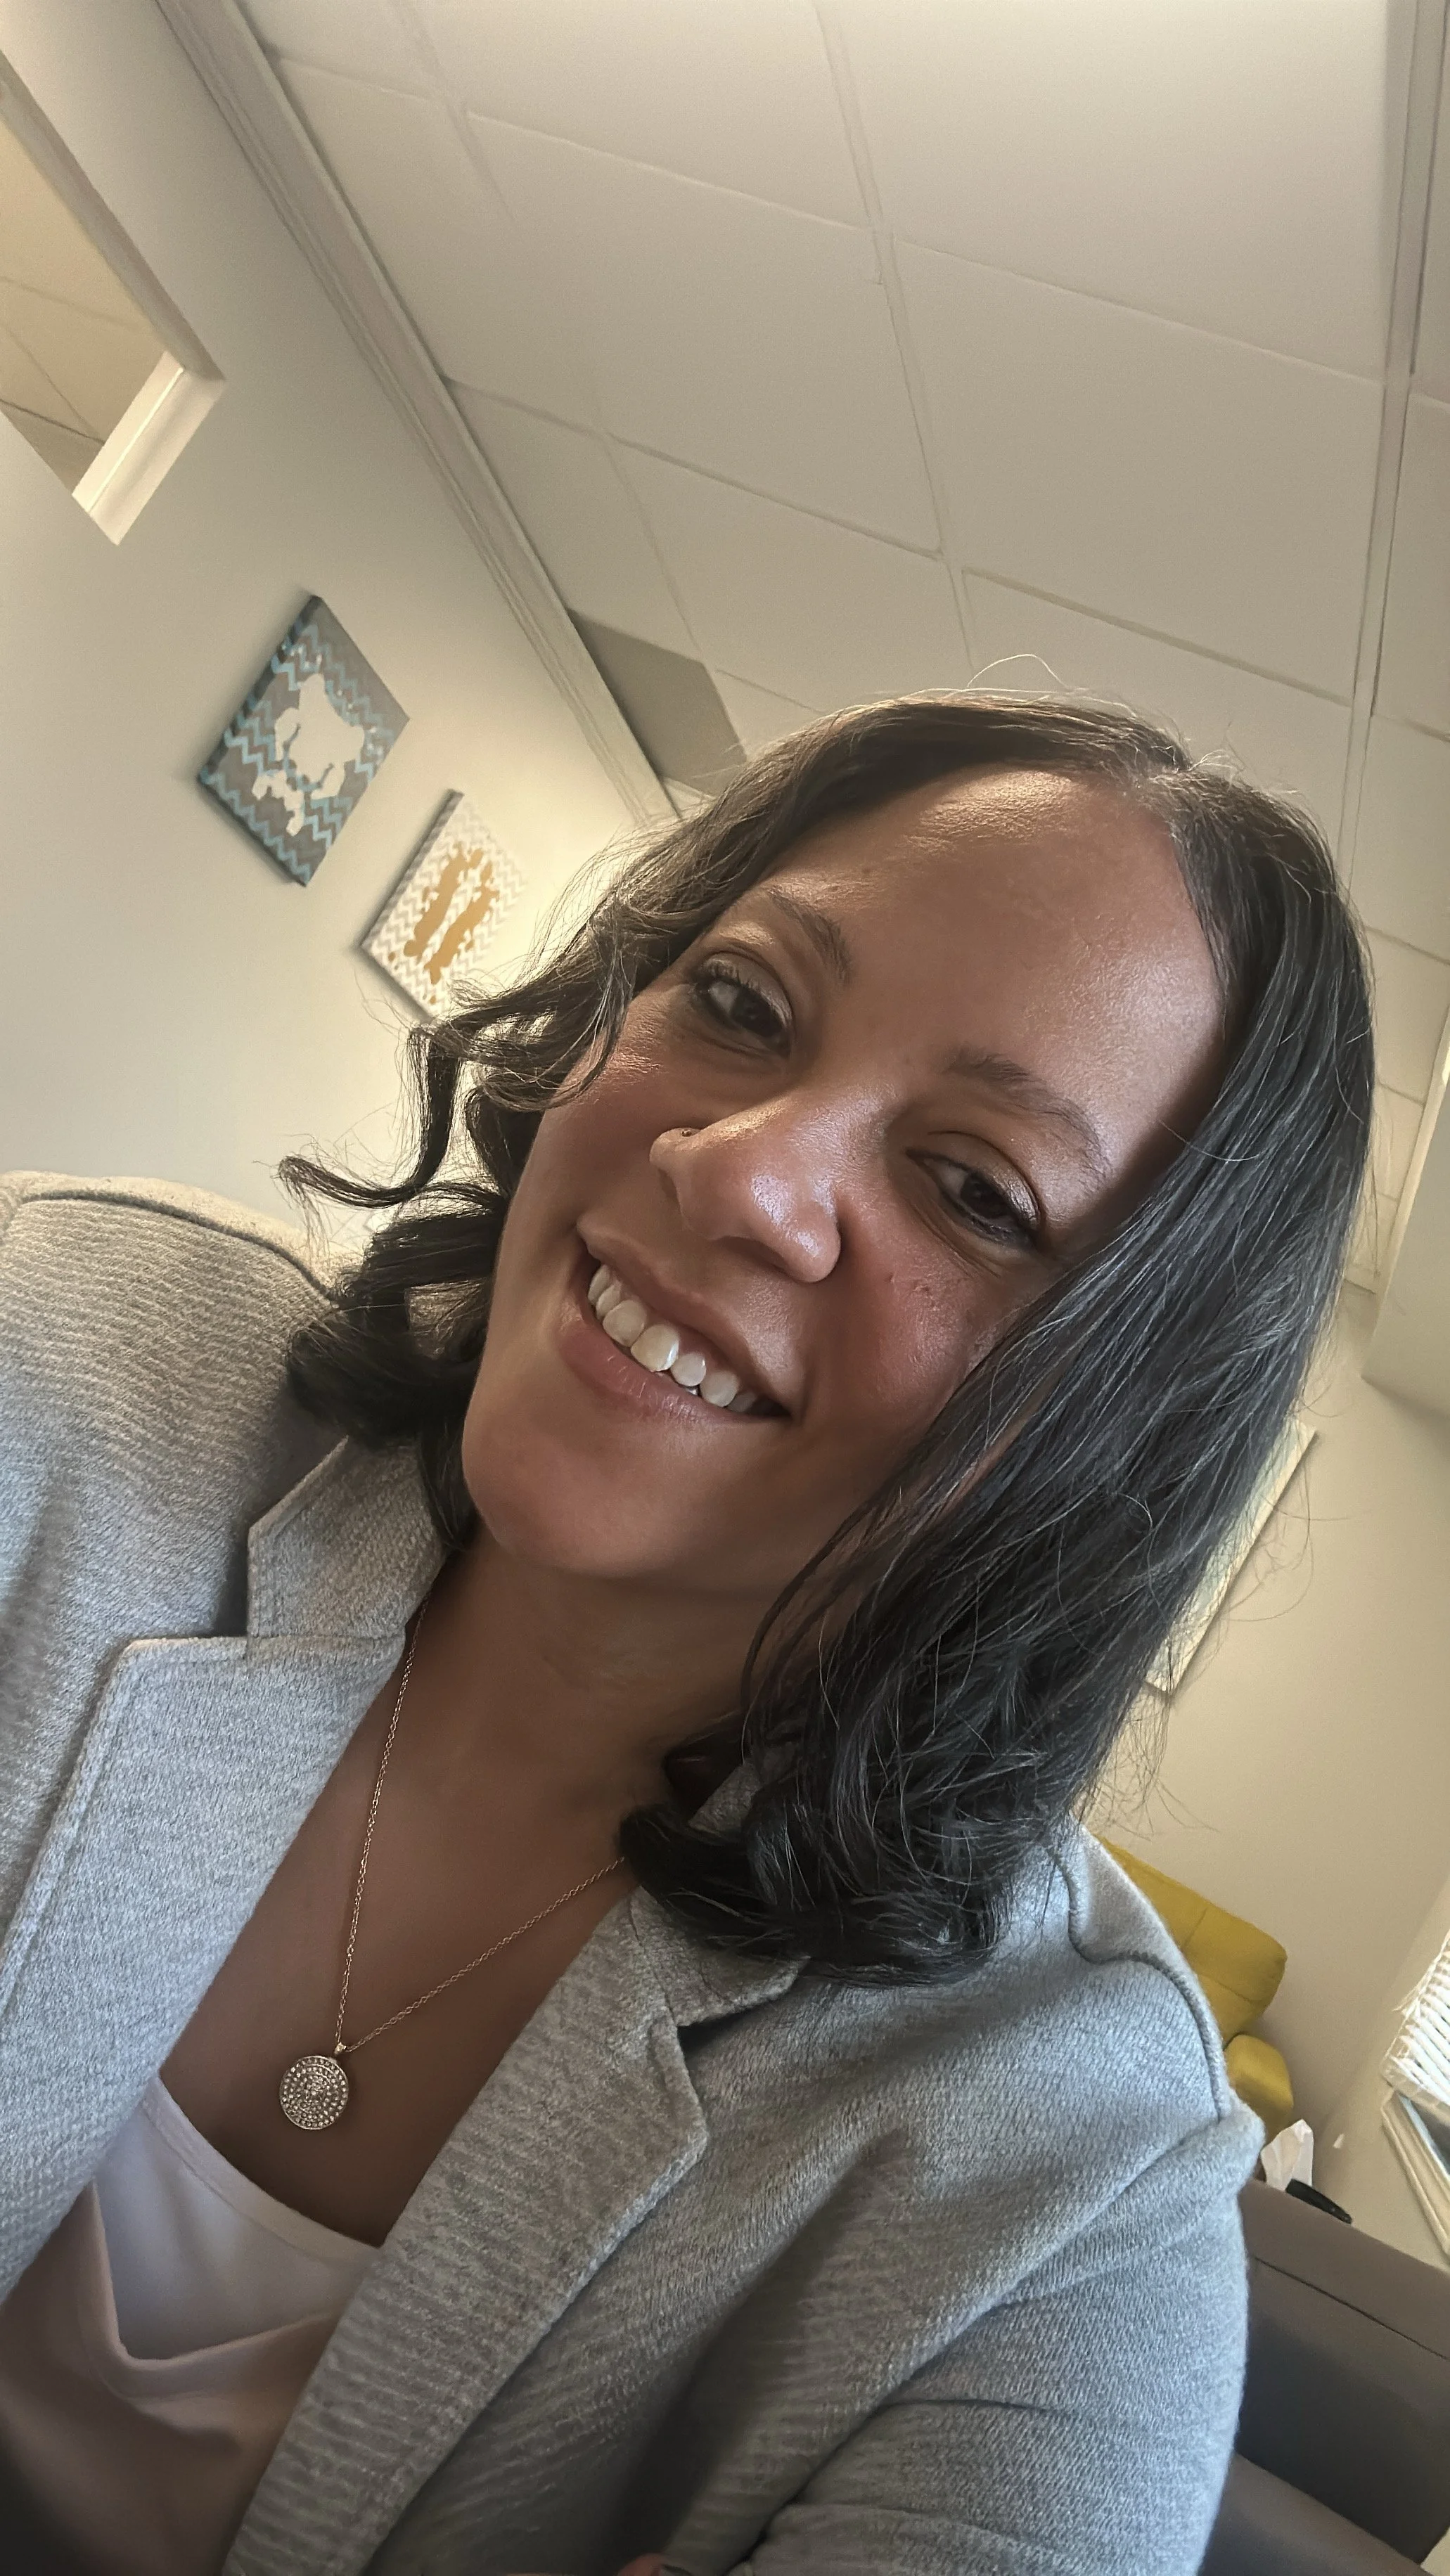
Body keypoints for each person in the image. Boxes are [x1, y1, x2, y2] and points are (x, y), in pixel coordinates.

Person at [0, 696, 1372, 2576]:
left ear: (1109, 1428)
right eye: (739, 1004)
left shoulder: (1065, 2182)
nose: (738, 1166)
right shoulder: (70, 1360)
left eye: (973, 1190)